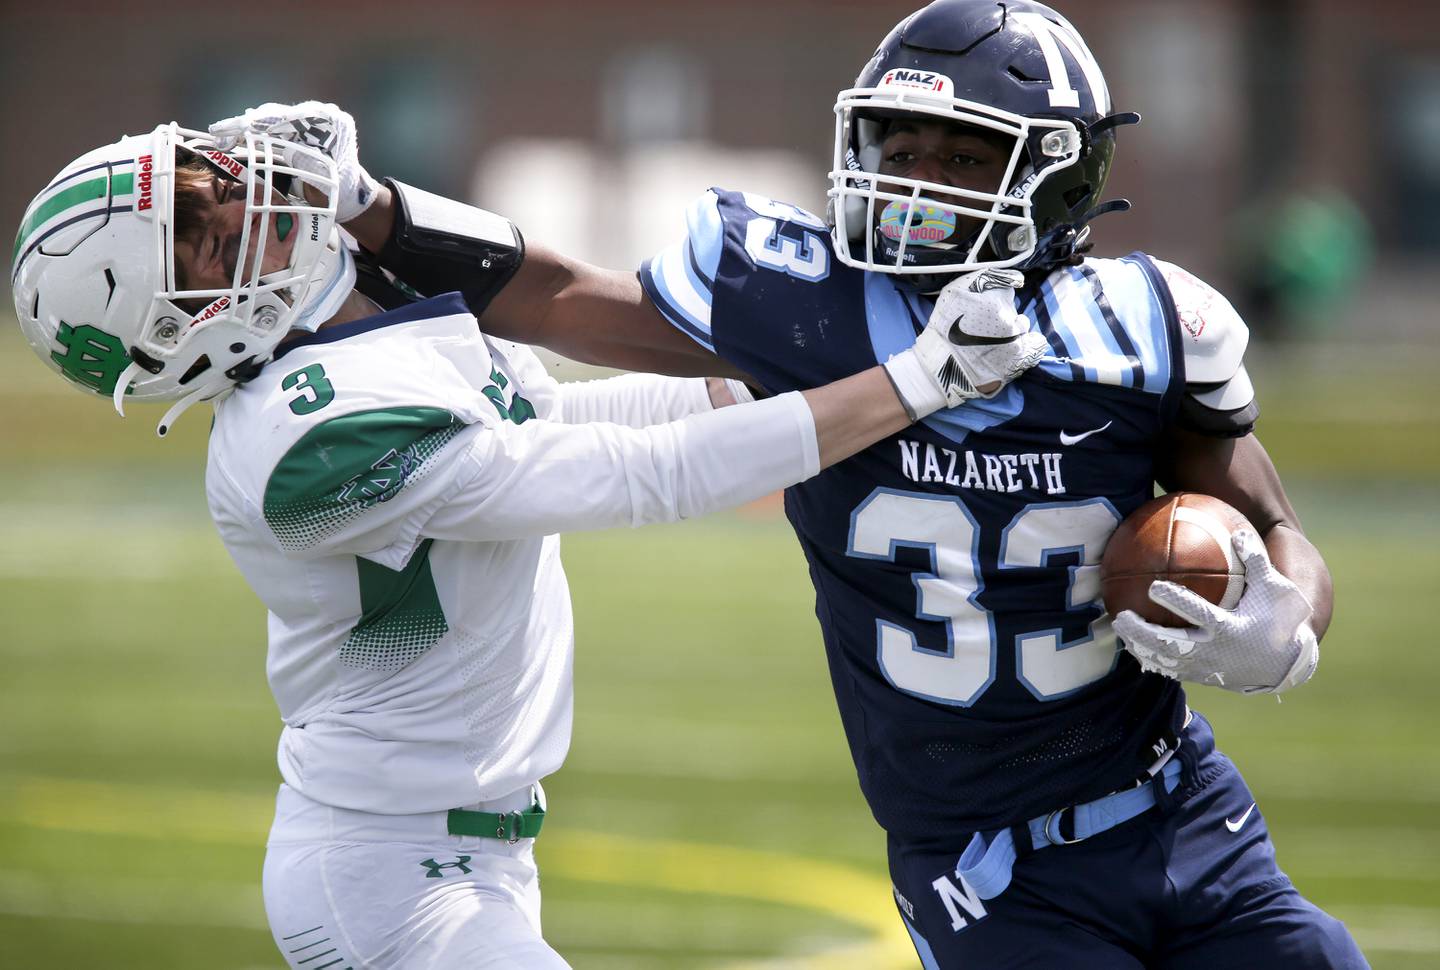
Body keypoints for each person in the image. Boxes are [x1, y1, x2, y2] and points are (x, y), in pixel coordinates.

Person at [211, 1, 1373, 966]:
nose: (916, 180)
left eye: (963, 157)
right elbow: (560, 296)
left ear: (1059, 180)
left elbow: (1271, 520)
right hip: (987, 864)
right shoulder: (803, 302)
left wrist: (1288, 618)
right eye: (897, 146)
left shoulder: (1148, 327)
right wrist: (373, 206)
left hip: (1183, 807)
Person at [10, 118, 1048, 967]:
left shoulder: (361, 318)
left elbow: (576, 419)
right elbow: (639, 480)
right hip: (389, 870)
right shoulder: (300, 438)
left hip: (472, 847)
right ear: (177, 329)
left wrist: (777, 381)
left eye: (212, 183)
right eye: (200, 235)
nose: (241, 202)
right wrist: (919, 382)